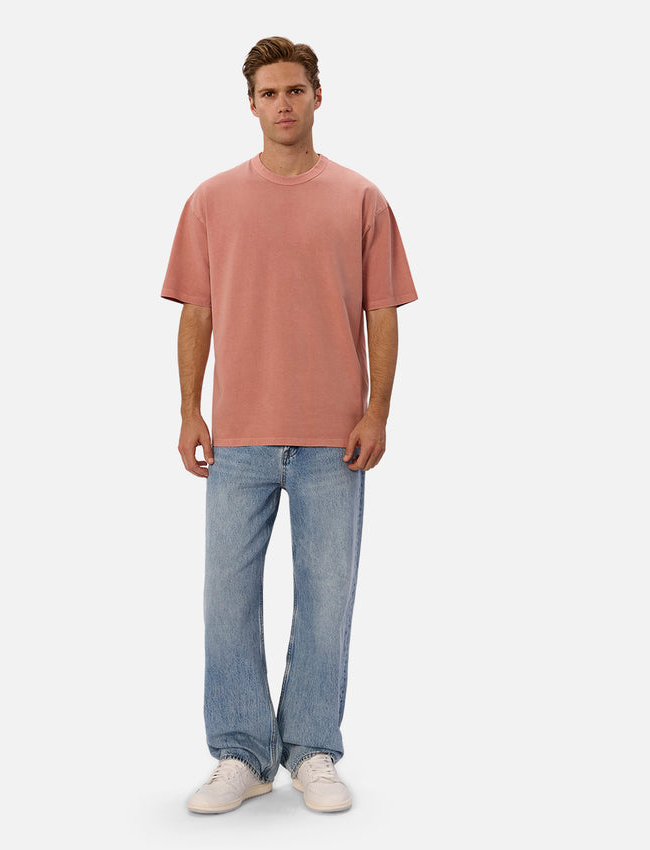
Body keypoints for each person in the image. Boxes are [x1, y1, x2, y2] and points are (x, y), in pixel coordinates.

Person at [161, 36, 417, 814]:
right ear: (251, 104)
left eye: (295, 90)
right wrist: (189, 409)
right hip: (238, 434)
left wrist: (376, 411)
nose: (283, 104)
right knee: (227, 598)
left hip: (334, 437)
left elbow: (382, 312)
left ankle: (312, 750)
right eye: (269, 93)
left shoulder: (361, 198)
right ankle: (242, 755)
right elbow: (196, 312)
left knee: (327, 596)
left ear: (317, 96)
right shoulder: (211, 201)